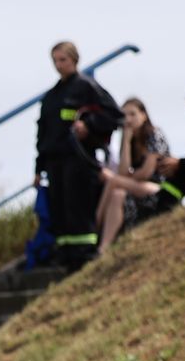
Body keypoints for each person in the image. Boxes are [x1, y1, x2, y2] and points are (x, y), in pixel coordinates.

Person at [36, 40, 121, 270]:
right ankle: (64, 253)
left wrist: (89, 125)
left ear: (74, 59)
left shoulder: (87, 87)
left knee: (79, 207)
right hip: (55, 161)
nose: (58, 65)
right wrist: (38, 167)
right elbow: (43, 133)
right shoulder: (51, 96)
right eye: (55, 60)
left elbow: (114, 115)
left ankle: (84, 252)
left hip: (80, 159)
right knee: (59, 209)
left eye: (62, 59)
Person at [97, 97, 169, 249]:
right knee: (117, 195)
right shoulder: (128, 141)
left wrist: (128, 177)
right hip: (138, 188)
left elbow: (146, 173)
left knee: (114, 181)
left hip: (159, 188)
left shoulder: (155, 135)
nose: (128, 119)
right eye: (125, 116)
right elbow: (124, 172)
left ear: (143, 115)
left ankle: (95, 223)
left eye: (132, 114)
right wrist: (126, 141)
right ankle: (103, 246)